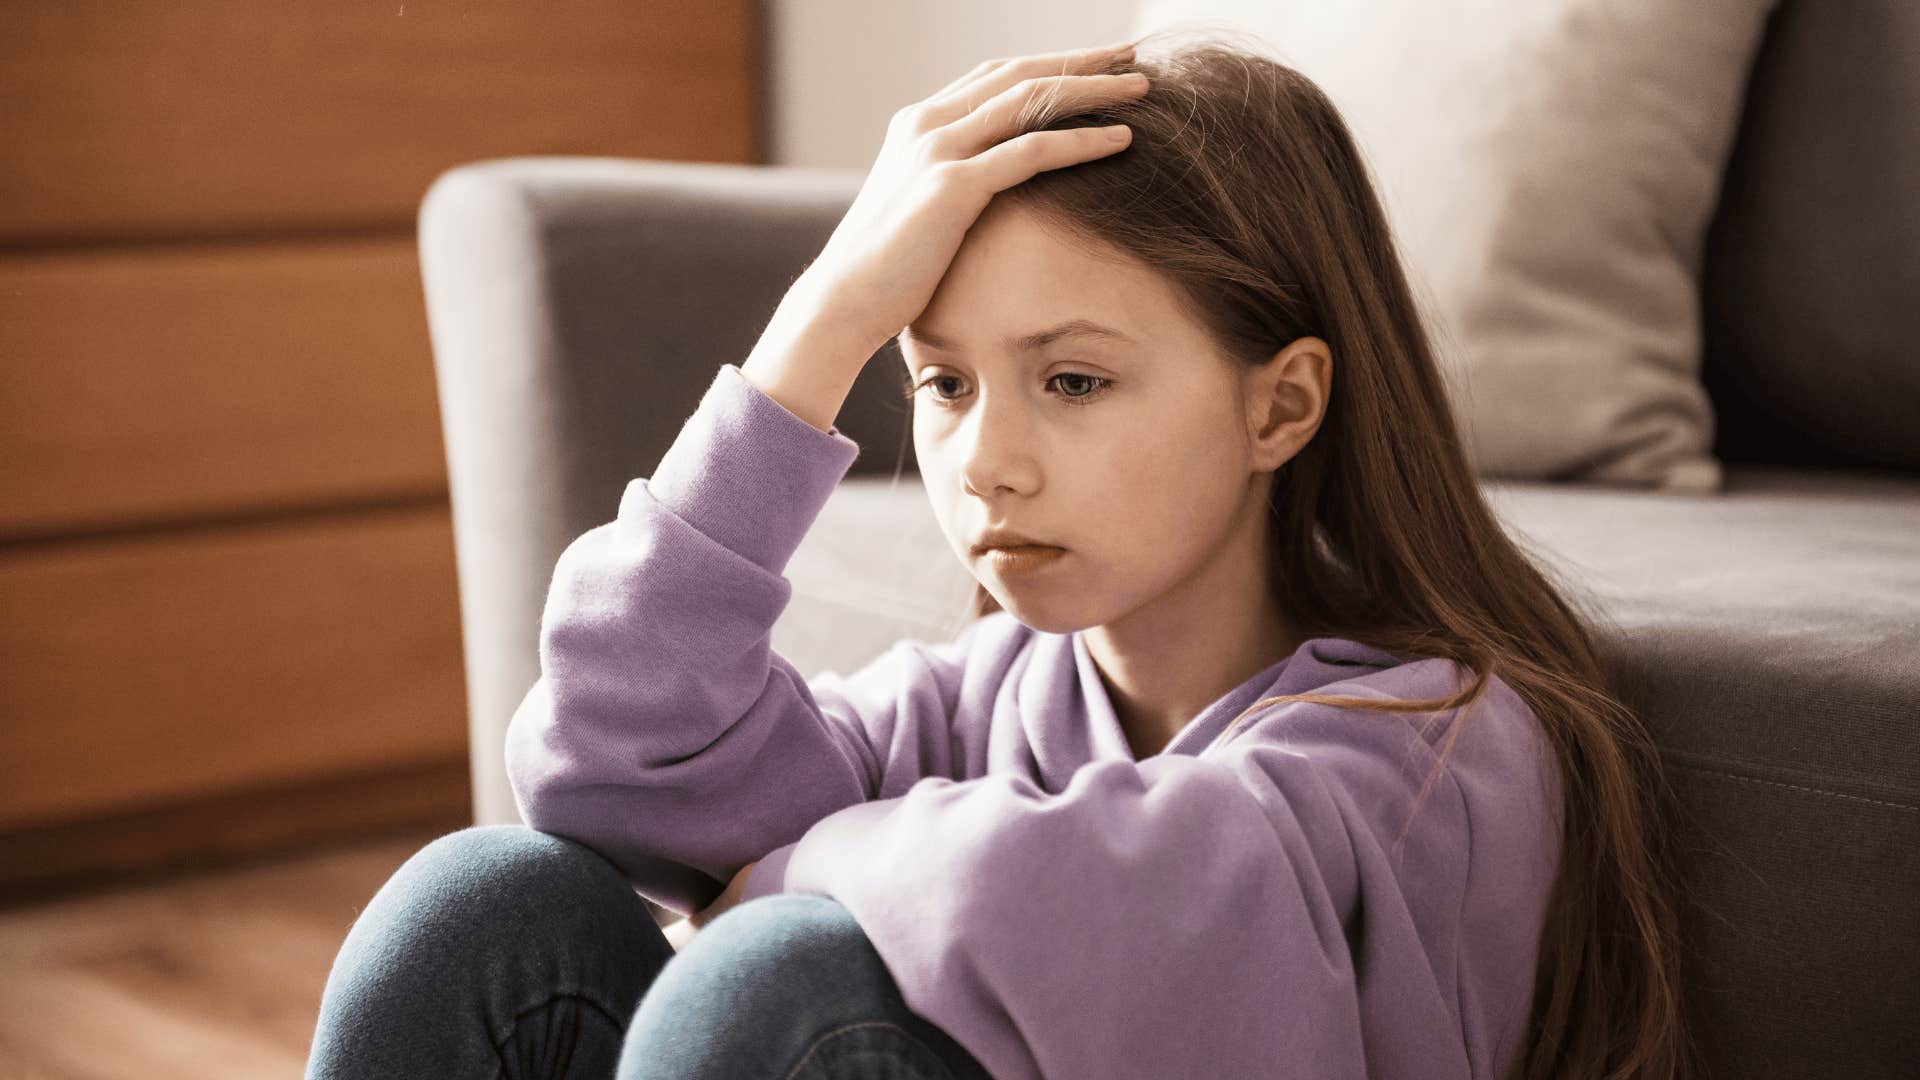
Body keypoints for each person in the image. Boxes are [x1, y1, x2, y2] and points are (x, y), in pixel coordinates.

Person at [307, 28, 1699, 1080]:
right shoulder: (986, 697)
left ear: (1281, 404)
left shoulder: (1426, 752)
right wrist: (819, 327)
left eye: (1074, 381)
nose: (983, 460)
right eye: (943, 383)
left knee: (770, 984)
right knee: (490, 902)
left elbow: (1087, 890)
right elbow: (603, 766)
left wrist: (780, 869)